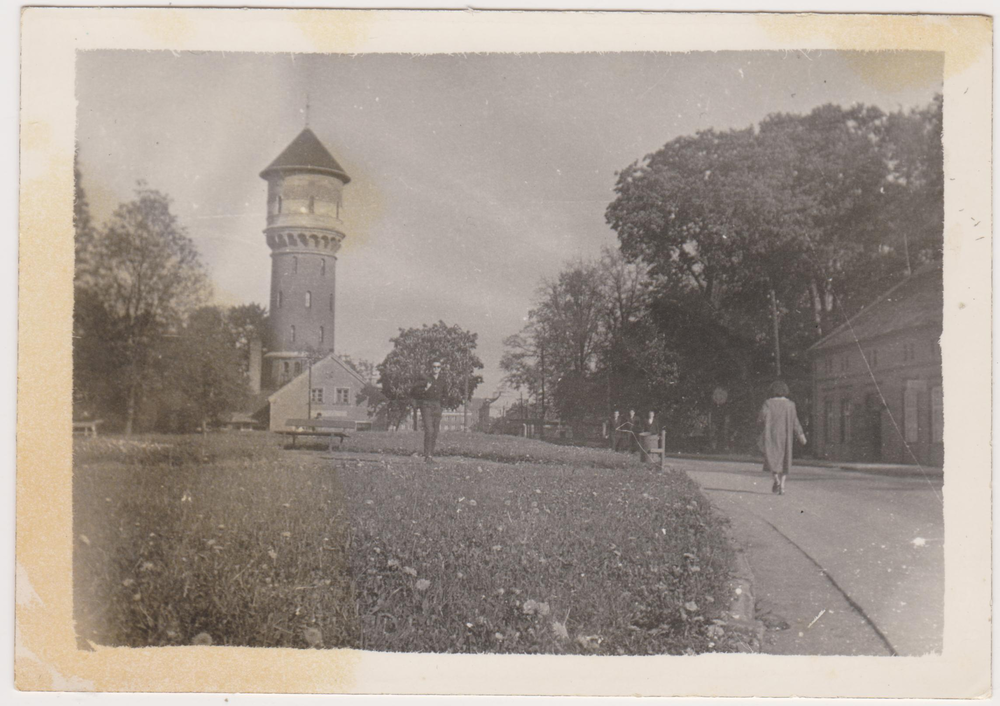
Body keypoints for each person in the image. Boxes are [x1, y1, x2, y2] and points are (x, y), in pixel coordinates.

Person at [758, 380, 807, 496]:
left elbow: (761, 418)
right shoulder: (790, 405)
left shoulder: (767, 403)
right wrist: (801, 435)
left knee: (772, 459)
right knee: (785, 460)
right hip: (786, 436)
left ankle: (776, 480)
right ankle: (783, 486)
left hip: (771, 435)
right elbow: (795, 422)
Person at [414, 360, 445, 463]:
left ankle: (430, 455)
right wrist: (425, 389)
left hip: (437, 406)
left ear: (440, 368)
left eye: (438, 367)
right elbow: (415, 392)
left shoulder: (442, 380)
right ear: (431, 368)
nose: (436, 369)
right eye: (434, 367)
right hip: (426, 405)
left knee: (435, 432)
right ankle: (427, 456)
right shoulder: (425, 379)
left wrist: (442, 406)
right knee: (429, 430)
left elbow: (445, 394)